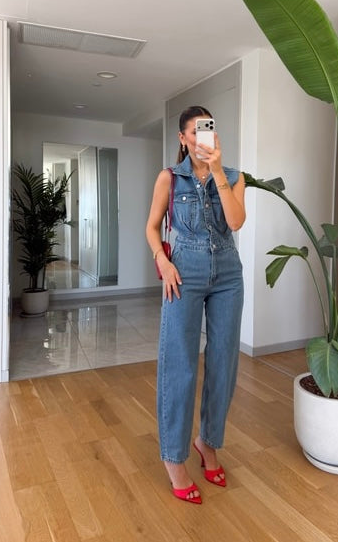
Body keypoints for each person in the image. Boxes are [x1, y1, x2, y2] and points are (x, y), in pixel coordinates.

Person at [146, 106, 246, 504]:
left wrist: (218, 170)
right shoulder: (169, 178)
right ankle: (174, 458)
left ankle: (208, 442)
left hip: (228, 274)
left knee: (223, 363)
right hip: (183, 271)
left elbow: (235, 222)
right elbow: (152, 226)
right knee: (180, 365)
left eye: (210, 129)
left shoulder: (234, 176)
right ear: (183, 139)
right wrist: (162, 260)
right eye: (196, 131)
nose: (204, 136)